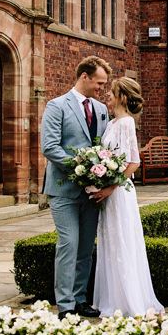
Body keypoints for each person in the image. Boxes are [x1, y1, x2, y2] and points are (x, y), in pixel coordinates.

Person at [40, 55, 111, 319]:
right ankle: (65, 305)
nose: (102, 88)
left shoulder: (102, 109)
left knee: (84, 248)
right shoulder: (56, 106)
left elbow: (104, 146)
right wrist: (81, 167)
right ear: (85, 77)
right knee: (68, 244)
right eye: (99, 83)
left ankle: (81, 299)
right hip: (64, 189)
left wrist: (104, 172)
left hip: (93, 192)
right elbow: (49, 147)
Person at [90, 76, 164, 317]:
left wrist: (111, 187)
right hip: (109, 192)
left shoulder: (126, 123)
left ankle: (128, 301)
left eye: (111, 92)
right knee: (109, 241)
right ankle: (110, 298)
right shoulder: (111, 124)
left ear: (122, 97)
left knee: (122, 240)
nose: (107, 95)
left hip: (120, 193)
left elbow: (133, 162)